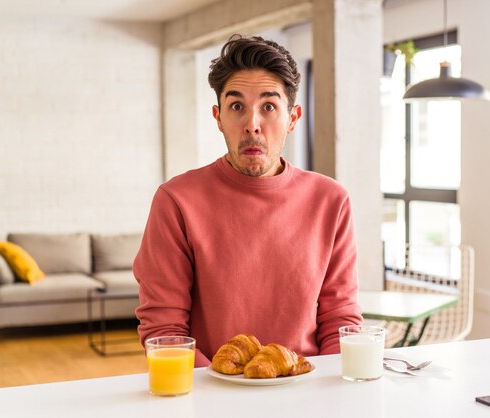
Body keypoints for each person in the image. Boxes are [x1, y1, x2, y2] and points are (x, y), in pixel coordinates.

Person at [133, 34, 363, 367]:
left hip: (307, 390)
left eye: (268, 107)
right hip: (211, 393)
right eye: (237, 106)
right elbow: (165, 331)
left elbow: (340, 320)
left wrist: (328, 394)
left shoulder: (331, 201)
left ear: (293, 117)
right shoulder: (176, 201)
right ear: (218, 117)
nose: (252, 125)